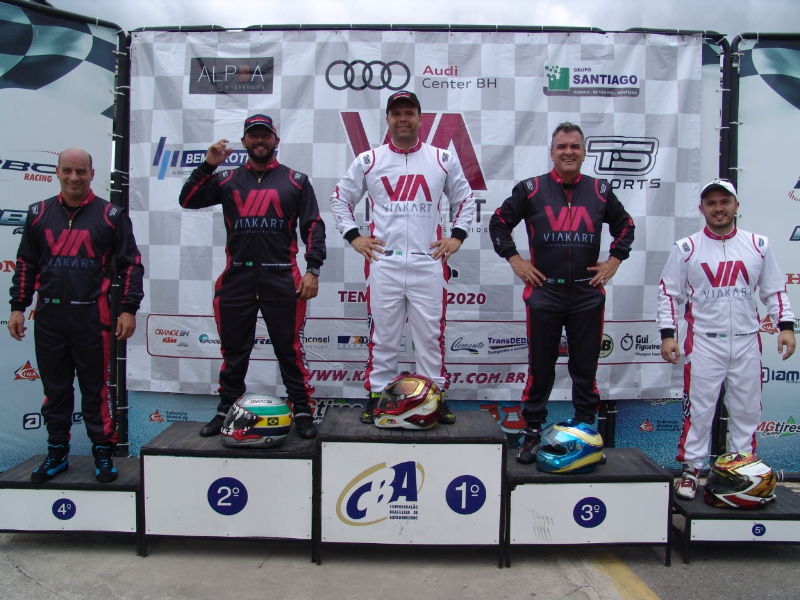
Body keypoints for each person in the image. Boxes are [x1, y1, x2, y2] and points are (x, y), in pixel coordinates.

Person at [489, 122, 635, 464]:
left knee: (585, 369)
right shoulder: (531, 189)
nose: (568, 152)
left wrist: (613, 261)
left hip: (586, 294)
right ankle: (532, 433)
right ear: (552, 152)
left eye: (575, 146)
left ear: (584, 152)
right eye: (561, 146)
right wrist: (515, 260)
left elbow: (626, 226)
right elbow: (498, 223)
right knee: (541, 369)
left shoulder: (600, 190)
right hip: (545, 293)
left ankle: (586, 434)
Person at [330, 90, 476, 424]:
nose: (403, 119)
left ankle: (434, 398)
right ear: (388, 120)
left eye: (409, 113)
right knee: (383, 338)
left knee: (430, 339)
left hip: (428, 261)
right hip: (385, 263)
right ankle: (377, 397)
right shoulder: (370, 160)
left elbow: (465, 200)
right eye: (396, 114)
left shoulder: (442, 158)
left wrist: (457, 236)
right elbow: (339, 198)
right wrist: (354, 236)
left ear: (420, 119)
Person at [179, 114, 325, 440]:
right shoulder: (226, 178)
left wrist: (313, 269)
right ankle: (226, 409)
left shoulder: (296, 180)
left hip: (282, 277)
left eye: (265, 135)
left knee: (289, 350)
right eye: (253, 135)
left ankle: (302, 409)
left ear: (276, 140)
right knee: (234, 352)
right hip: (237, 278)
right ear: (244, 141)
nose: (260, 141)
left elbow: (313, 226)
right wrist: (208, 165)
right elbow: (187, 200)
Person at [8, 147, 144, 483]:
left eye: (81, 171)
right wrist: (18, 306)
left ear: (92, 174)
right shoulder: (38, 213)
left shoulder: (111, 215)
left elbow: (130, 265)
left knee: (95, 390)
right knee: (55, 391)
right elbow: (26, 263)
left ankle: (103, 453)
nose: (74, 177)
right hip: (49, 318)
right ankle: (57, 451)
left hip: (92, 319)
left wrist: (128, 309)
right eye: (67, 170)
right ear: (57, 172)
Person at [657, 179, 795, 500]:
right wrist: (667, 334)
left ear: (736, 205)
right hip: (704, 342)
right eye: (711, 203)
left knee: (747, 412)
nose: (718, 208)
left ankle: (743, 470)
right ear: (702, 208)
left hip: (747, 341)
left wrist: (785, 326)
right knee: (699, 412)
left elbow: (774, 289)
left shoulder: (758, 245)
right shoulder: (687, 248)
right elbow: (668, 294)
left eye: (724, 202)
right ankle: (692, 471)